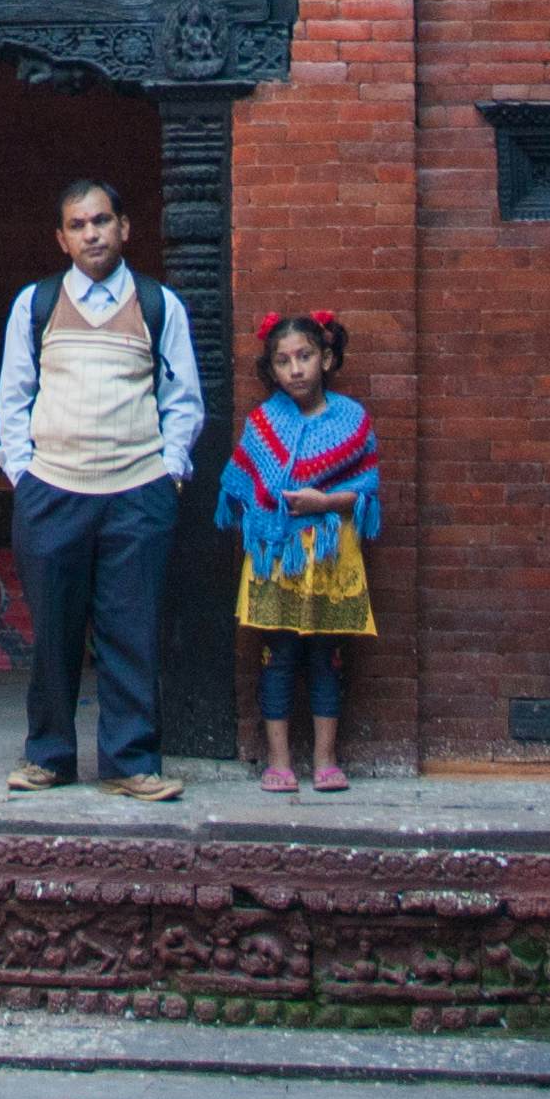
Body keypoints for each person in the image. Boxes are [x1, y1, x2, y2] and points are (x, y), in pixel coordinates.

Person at [0, 174, 202, 800]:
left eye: (102, 221)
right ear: (62, 239)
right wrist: (23, 473)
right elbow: (14, 398)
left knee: (130, 631)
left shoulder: (158, 304)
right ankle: (48, 757)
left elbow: (183, 401)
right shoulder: (36, 304)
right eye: (79, 225)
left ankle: (129, 762)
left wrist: (170, 471)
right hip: (52, 491)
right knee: (54, 630)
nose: (92, 233)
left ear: (125, 228)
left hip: (138, 491)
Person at [219, 311, 381, 793]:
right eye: (283, 360)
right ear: (271, 369)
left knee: (327, 657)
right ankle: (279, 760)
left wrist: (323, 502)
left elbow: (367, 488)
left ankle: (327, 760)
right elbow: (245, 485)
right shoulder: (262, 422)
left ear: (327, 358)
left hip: (331, 556)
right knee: (278, 656)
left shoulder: (353, 420)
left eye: (305, 356)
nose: (296, 369)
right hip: (277, 554)